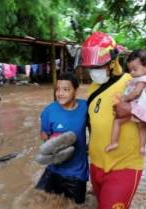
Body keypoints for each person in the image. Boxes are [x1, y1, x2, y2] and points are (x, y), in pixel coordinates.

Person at [81, 32, 146, 209]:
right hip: (96, 166)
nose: (93, 71)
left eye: (97, 66)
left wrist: (132, 109)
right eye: (90, 67)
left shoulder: (134, 82)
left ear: (113, 62)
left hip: (124, 167)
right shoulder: (92, 89)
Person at [35, 72, 88, 204]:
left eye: (66, 89)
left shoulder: (86, 107)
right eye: (57, 89)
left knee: (76, 206)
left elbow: (96, 127)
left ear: (75, 91)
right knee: (36, 201)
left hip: (77, 173)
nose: (60, 93)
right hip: (54, 168)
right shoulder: (49, 110)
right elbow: (44, 134)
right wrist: (52, 142)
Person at [105, 49, 146, 155]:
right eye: (130, 70)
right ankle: (142, 147)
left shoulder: (144, 79)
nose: (132, 73)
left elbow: (136, 93)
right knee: (142, 127)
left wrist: (125, 99)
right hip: (142, 108)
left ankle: (114, 142)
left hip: (138, 107)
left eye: (135, 69)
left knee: (117, 121)